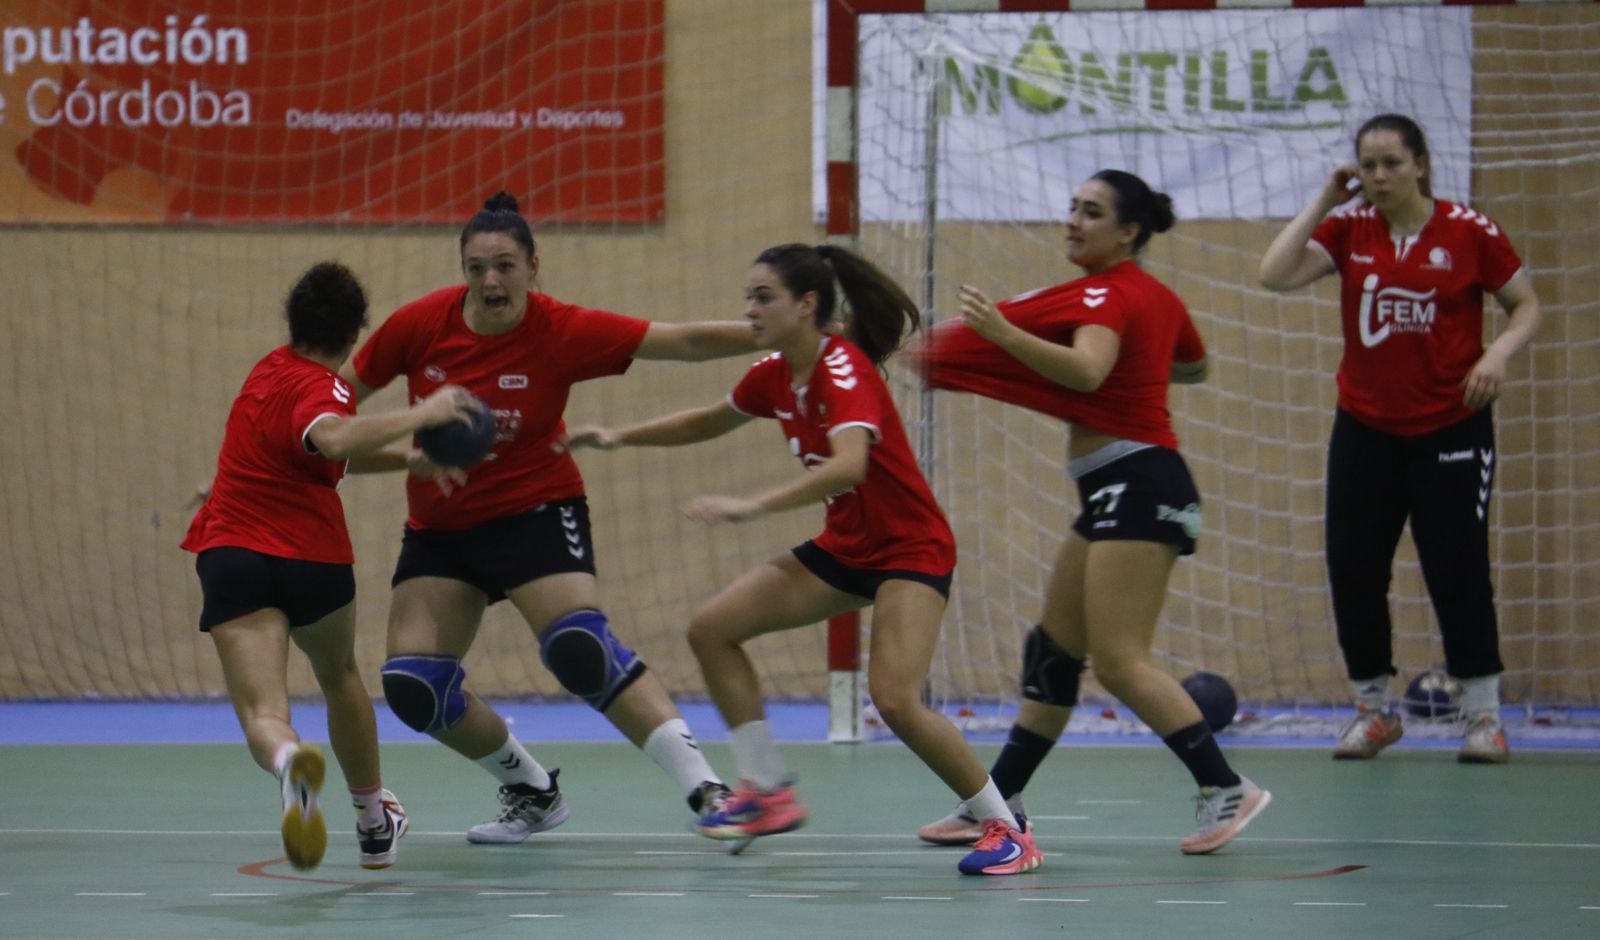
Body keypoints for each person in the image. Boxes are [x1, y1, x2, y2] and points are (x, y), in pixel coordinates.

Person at [562, 242, 1042, 876]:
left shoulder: (843, 370)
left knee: (895, 698)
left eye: (763, 297)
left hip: (910, 549)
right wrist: (619, 435)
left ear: (806, 304)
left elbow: (851, 463)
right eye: (748, 298)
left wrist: (754, 505)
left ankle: (1007, 828)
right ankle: (768, 790)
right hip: (847, 547)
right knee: (713, 629)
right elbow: (708, 421)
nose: (749, 309)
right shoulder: (772, 373)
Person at [339, 193, 758, 842]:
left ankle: (708, 790)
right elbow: (337, 406)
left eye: (505, 266)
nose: (490, 281)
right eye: (476, 268)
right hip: (442, 529)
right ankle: (532, 789)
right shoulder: (420, 327)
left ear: (534, 267)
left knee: (578, 648)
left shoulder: (561, 329)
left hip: (535, 510)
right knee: (413, 687)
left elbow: (682, 340)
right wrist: (406, 453)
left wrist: (779, 337)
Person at [913, 170, 1271, 856]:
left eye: (1092, 212)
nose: (1073, 221)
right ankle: (998, 801)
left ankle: (1227, 788)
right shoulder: (1151, 296)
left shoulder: (1107, 293)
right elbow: (1192, 368)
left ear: (1129, 231)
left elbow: (1085, 372)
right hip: (1114, 487)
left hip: (1139, 483)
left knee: (1119, 661)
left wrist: (1000, 332)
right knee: (1054, 653)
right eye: (1072, 207)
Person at [1258, 114, 1541, 763]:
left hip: (1451, 425)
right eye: (1367, 164)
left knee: (1457, 568)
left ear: (1419, 164)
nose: (1378, 176)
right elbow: (1274, 274)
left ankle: (1484, 719)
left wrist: (1495, 355)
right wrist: (1325, 198)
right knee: (1353, 567)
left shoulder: (1469, 232)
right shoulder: (1350, 228)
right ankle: (1373, 711)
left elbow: (1526, 304)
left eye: (1390, 162)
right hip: (1364, 426)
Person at [184, 261, 479, 871]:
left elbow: (320, 452)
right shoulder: (329, 389)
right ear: (354, 335)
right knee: (339, 674)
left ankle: (292, 763)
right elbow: (335, 439)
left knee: (265, 715)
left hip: (233, 552)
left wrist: (410, 461)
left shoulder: (266, 371)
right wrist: (429, 414)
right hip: (311, 560)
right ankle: (374, 821)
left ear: (293, 322)